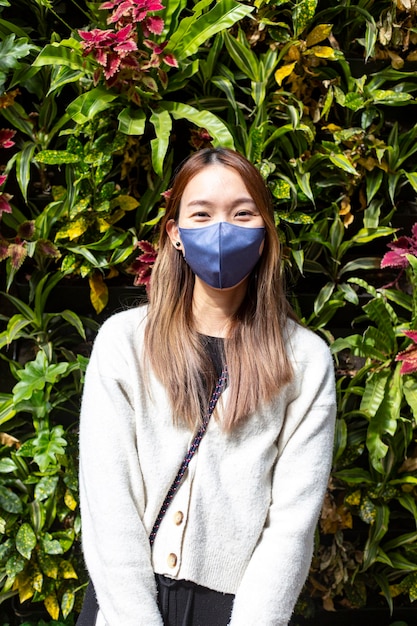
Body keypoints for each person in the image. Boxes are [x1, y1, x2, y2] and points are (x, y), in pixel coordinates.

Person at [78, 147, 336, 626]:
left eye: (243, 213)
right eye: (201, 213)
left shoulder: (304, 360)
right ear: (175, 234)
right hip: (125, 605)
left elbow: (291, 527)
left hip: (240, 611)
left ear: (264, 236)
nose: (222, 229)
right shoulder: (124, 343)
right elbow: (108, 504)